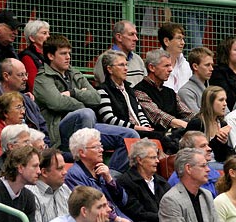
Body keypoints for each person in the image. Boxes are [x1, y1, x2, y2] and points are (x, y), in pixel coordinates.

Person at [33, 35, 137, 169]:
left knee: (130, 135)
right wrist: (82, 103)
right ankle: (85, 166)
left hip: (88, 125)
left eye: (69, 53)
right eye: (63, 53)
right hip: (60, 130)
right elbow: (57, 103)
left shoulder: (74, 73)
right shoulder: (43, 78)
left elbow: (95, 98)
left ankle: (111, 175)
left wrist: (74, 93)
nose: (68, 57)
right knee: (85, 113)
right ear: (51, 56)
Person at [159, 148, 230, 222]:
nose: (208, 170)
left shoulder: (206, 195)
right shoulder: (171, 200)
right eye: (203, 166)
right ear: (188, 168)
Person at [65, 128, 139, 222]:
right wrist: (117, 219)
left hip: (117, 217)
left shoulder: (101, 171)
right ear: (82, 152)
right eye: (96, 147)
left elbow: (123, 201)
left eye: (101, 146)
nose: (101, 150)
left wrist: (110, 180)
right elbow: (89, 206)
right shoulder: (74, 175)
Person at [95, 50, 154, 136]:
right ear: (110, 69)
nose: (126, 68)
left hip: (139, 130)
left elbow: (140, 112)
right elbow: (109, 119)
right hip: (121, 134)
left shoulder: (129, 89)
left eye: (126, 64)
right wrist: (136, 128)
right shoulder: (102, 90)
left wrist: (145, 126)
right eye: (121, 65)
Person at [133, 49, 192, 134]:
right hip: (157, 137)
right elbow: (157, 115)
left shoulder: (170, 92)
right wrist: (182, 124)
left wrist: (202, 120)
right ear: (151, 67)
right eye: (166, 66)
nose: (170, 69)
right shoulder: (139, 91)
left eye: (170, 65)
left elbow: (187, 112)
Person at [117, 138, 171, 222]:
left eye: (157, 157)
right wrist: (165, 218)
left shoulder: (161, 182)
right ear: (140, 160)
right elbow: (137, 213)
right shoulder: (126, 182)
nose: (157, 161)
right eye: (153, 158)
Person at [184, 86, 234, 163]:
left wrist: (223, 143)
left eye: (225, 100)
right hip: (199, 164)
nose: (225, 104)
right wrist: (217, 139)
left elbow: (222, 157)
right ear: (210, 103)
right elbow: (191, 154)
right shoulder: (197, 123)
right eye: (221, 100)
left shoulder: (222, 124)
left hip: (218, 163)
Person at [26, 148, 71, 222]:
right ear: (44, 172)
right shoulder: (31, 194)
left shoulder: (64, 189)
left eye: (64, 167)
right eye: (60, 168)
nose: (65, 172)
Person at [168, 131, 222, 196]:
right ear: (190, 150)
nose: (209, 149)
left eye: (207, 145)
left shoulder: (212, 171)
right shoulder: (179, 179)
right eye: (203, 146)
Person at [93, 21, 146, 86]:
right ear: (119, 37)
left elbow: (145, 85)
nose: (136, 39)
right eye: (131, 34)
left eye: (136, 35)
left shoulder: (138, 59)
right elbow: (106, 87)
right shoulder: (104, 58)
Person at [0, 92, 26, 163]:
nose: (23, 112)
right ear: (5, 113)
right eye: (18, 107)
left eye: (23, 107)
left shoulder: (24, 131)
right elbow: (0, 165)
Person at [159, 22, 192, 93]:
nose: (183, 43)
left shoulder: (186, 65)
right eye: (179, 38)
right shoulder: (156, 64)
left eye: (183, 39)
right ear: (166, 41)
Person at [19, 19, 50, 95]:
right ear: (32, 38)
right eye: (44, 33)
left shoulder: (48, 54)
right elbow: (33, 85)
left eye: (48, 33)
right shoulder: (27, 57)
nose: (48, 36)